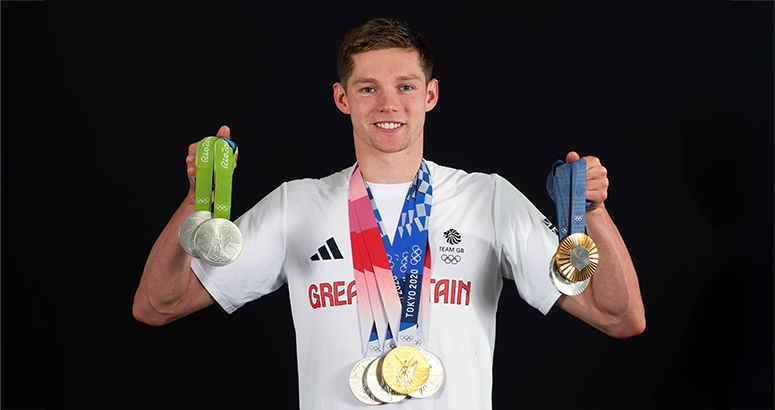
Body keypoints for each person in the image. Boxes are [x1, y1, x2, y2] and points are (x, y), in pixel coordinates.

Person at [133, 17, 645, 409]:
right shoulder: (296, 204)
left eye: (404, 86)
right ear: (342, 99)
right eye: (367, 88)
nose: (388, 104)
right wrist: (199, 201)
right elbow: (157, 305)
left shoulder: (487, 198)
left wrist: (593, 212)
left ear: (430, 94)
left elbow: (620, 317)